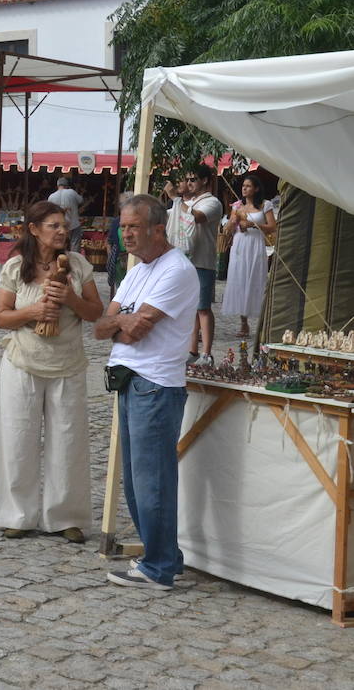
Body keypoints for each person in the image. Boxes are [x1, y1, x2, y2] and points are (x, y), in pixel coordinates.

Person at [94, 194, 199, 590]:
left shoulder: (177, 270)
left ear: (159, 228)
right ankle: (165, 559)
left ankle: (158, 567)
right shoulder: (136, 272)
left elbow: (138, 329)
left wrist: (119, 321)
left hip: (155, 384)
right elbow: (101, 327)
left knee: (152, 479)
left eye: (133, 226)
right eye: (123, 226)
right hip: (130, 380)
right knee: (136, 481)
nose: (126, 234)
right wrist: (120, 320)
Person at [0, 201, 103, 542]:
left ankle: (66, 516)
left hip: (67, 364)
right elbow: (0, 316)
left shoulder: (78, 265)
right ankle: (16, 514)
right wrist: (34, 310)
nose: (62, 231)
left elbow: (95, 312)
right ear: (34, 229)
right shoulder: (16, 267)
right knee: (17, 438)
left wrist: (70, 299)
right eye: (53, 225)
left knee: (68, 440)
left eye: (63, 225)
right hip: (22, 361)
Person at [163, 164, 223, 366]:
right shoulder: (187, 202)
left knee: (203, 308)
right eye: (187, 180)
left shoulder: (212, 202)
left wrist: (176, 199)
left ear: (205, 181)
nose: (189, 183)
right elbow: (171, 218)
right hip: (184, 260)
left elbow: (196, 217)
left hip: (202, 260)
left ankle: (207, 353)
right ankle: (192, 350)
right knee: (191, 308)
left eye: (193, 180)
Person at [219, 172, 276, 338]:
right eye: (243, 186)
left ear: (256, 188)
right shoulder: (237, 206)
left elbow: (272, 226)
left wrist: (253, 224)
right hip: (240, 244)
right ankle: (243, 323)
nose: (244, 189)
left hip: (256, 244)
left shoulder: (265, 205)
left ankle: (261, 320)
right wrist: (233, 221)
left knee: (256, 279)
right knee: (240, 279)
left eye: (248, 186)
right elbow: (228, 229)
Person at [48, 177, 84, 252]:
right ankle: (74, 262)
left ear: (57, 186)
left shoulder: (51, 196)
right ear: (67, 185)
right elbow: (81, 200)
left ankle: (60, 260)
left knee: (60, 246)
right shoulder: (71, 192)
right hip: (73, 224)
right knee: (75, 247)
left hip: (57, 226)